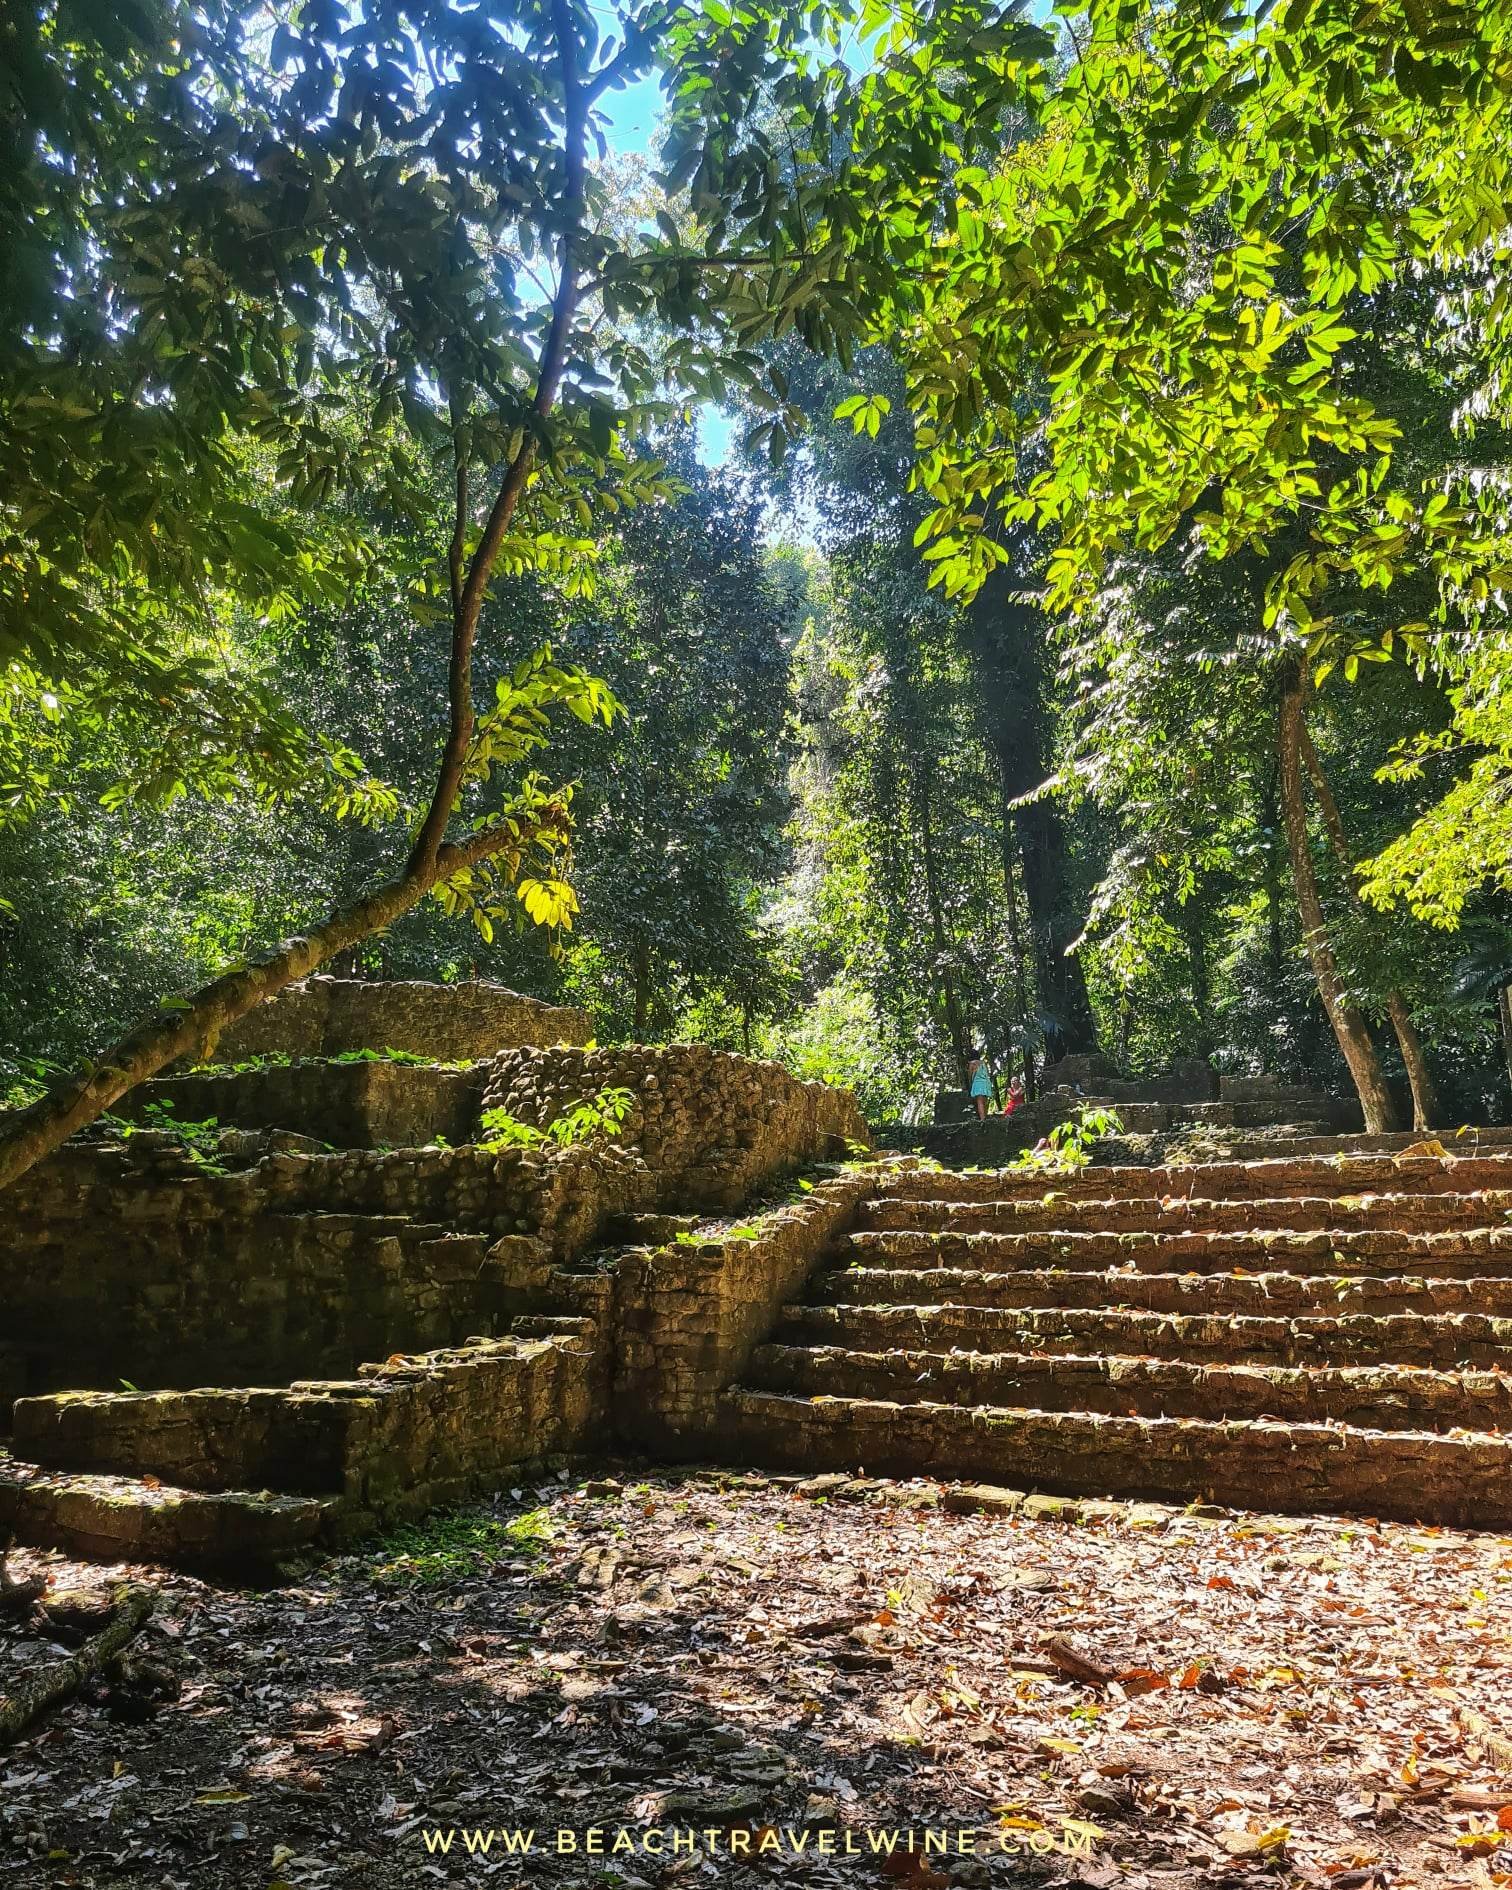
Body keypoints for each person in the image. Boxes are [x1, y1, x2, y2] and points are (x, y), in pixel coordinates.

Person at [967, 1047, 994, 1122]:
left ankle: (982, 1119)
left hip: (978, 1083)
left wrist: (971, 1084)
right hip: (986, 1083)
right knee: (984, 1101)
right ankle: (985, 1116)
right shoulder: (983, 1063)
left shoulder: (972, 1064)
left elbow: (970, 1075)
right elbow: (987, 1073)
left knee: (980, 1102)